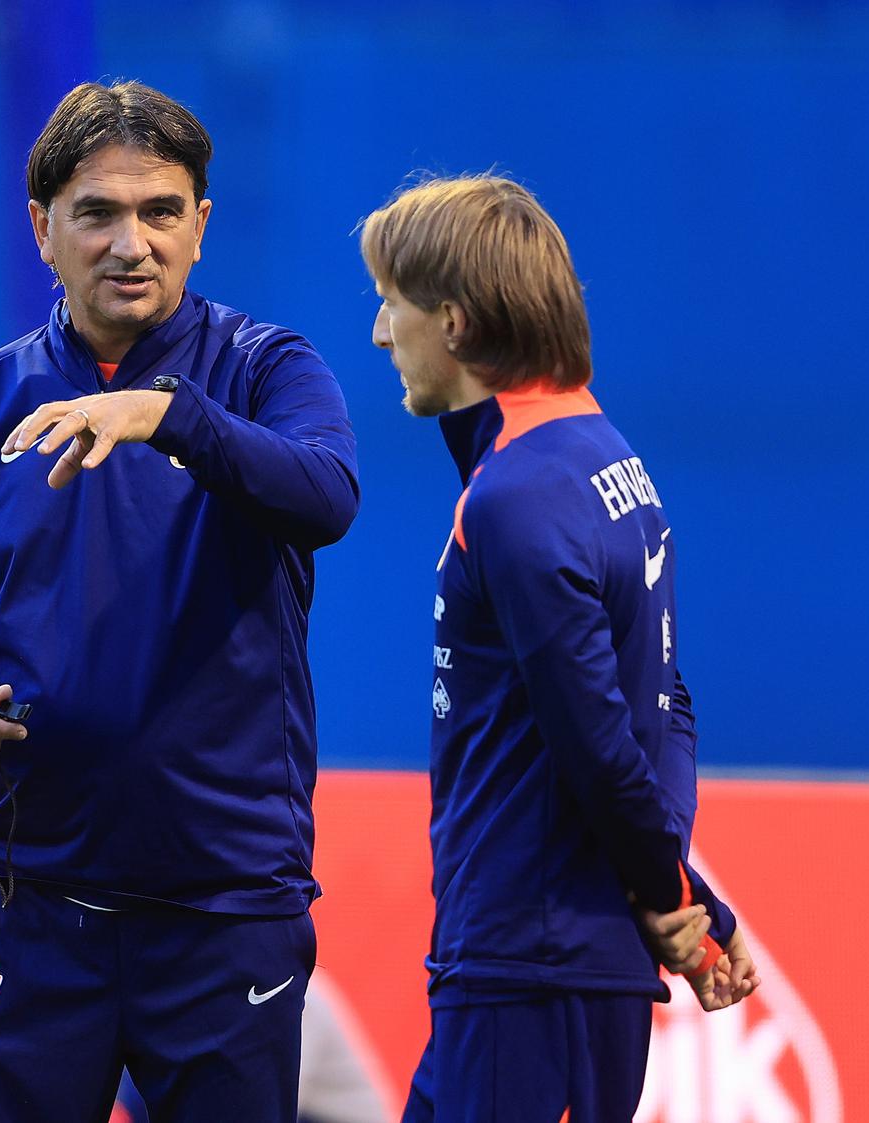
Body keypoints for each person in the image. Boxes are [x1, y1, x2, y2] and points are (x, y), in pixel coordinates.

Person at [0, 80, 359, 1123]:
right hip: (22, 904)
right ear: (42, 229)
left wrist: (167, 415)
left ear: (201, 227)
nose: (131, 242)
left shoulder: (266, 370)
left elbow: (325, 497)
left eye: (160, 212)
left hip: (224, 911)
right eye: (97, 213)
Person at [358, 175, 757, 1123]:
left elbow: (599, 738)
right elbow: (666, 706)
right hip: (582, 961)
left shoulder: (516, 496)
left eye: (392, 304)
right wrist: (682, 895)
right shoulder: (605, 453)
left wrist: (676, 906)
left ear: (452, 323)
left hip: (523, 966)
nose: (380, 333)